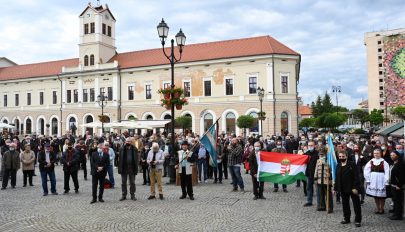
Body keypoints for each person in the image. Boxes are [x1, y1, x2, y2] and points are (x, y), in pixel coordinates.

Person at [334, 151, 362, 227]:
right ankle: (346, 218)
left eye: (343, 156)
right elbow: (337, 178)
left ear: (346, 156)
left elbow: (357, 177)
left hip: (353, 189)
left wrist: (355, 187)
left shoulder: (352, 164)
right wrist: (335, 188)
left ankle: (358, 220)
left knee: (356, 205)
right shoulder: (338, 165)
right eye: (340, 157)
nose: (341, 158)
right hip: (343, 188)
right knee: (345, 204)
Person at [363, 149, 390, 214]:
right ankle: (378, 207)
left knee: (382, 195)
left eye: (377, 153)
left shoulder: (384, 162)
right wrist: (368, 179)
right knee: (375, 195)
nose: (376, 154)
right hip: (373, 179)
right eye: (375, 153)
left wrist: (386, 181)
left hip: (381, 179)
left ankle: (382, 208)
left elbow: (387, 172)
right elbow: (366, 170)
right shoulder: (371, 161)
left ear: (381, 154)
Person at [388, 151, 404, 220]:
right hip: (393, 184)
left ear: (397, 155)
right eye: (391, 155)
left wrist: (399, 185)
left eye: (393, 155)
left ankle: (398, 215)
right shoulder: (393, 163)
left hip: (397, 186)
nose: (392, 156)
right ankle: (395, 212)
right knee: (395, 200)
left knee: (398, 201)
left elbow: (402, 176)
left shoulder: (401, 164)